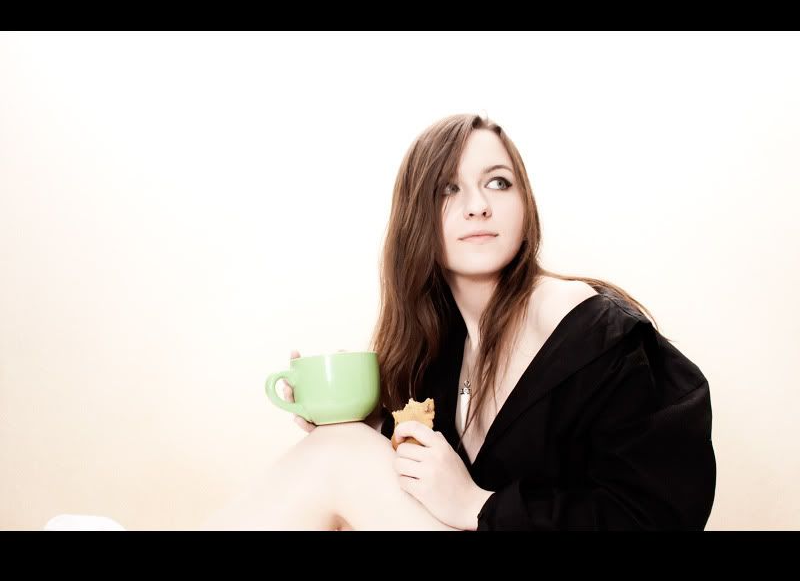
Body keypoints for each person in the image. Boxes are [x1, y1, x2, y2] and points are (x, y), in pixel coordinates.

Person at [199, 113, 717, 531]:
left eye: (498, 183)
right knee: (339, 447)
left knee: (338, 456)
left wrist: (478, 505)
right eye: (448, 189)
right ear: (415, 218)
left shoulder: (596, 334)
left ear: (524, 205)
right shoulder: (436, 353)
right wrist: (361, 428)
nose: (478, 206)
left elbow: (659, 517)